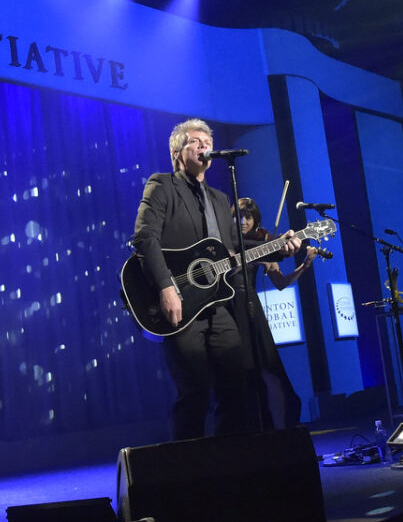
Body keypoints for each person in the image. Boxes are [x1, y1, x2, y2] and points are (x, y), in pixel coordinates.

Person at [130, 119, 299, 440]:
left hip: (218, 307)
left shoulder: (222, 200)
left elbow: (236, 248)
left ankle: (227, 464)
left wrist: (281, 248)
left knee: (237, 388)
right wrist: (166, 287)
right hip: (181, 305)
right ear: (178, 152)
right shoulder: (162, 186)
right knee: (194, 394)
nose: (204, 145)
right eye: (195, 141)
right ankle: (189, 474)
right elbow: (144, 239)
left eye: (207, 140)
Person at [236, 196, 316, 430]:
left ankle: (281, 434)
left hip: (250, 309)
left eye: (248, 217)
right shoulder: (224, 241)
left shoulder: (263, 243)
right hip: (227, 311)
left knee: (270, 371)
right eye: (238, 216)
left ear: (255, 220)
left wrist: (304, 266)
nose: (242, 221)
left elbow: (280, 283)